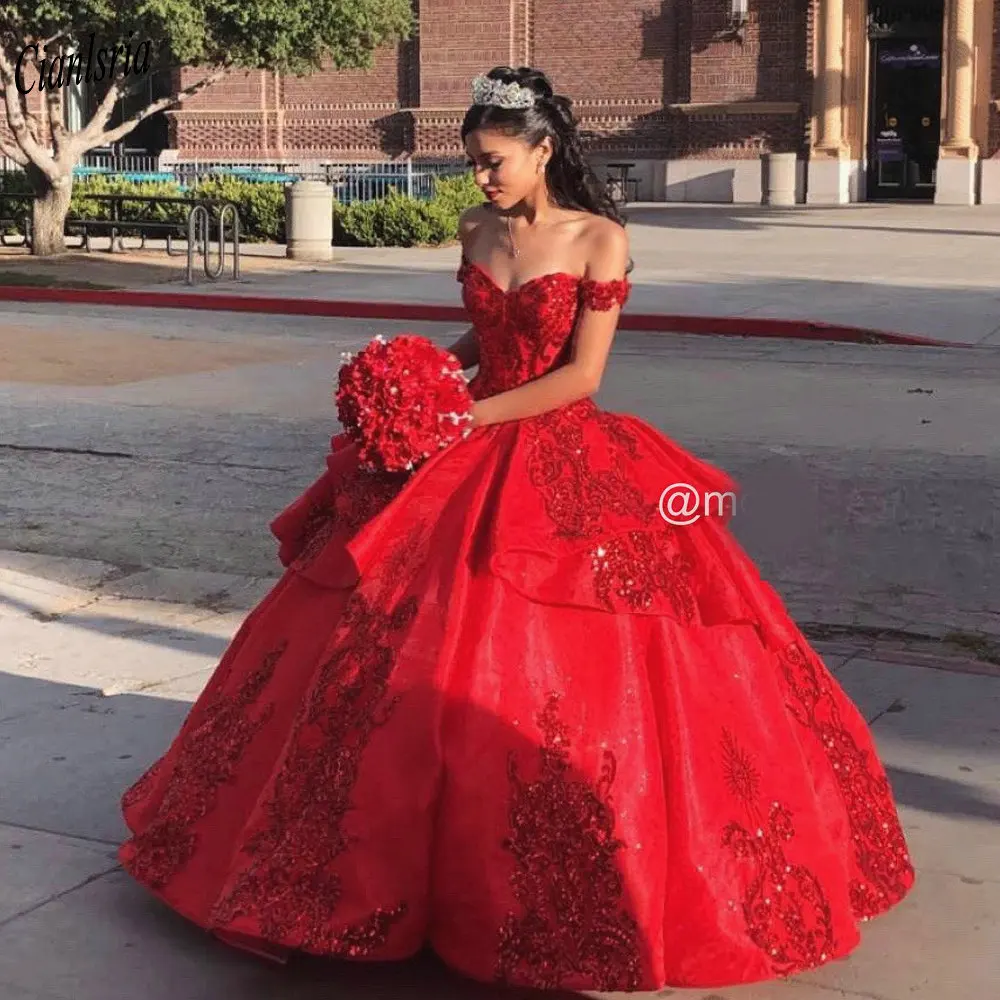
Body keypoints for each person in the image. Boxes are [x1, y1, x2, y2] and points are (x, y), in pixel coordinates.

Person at [119, 65, 914, 992]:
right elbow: (482, 338)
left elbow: (581, 378)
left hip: (558, 452)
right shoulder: (474, 228)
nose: (482, 179)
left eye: (495, 161)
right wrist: (420, 377)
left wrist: (462, 419)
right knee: (377, 635)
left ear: (543, 150)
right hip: (469, 435)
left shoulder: (601, 239)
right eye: (472, 164)